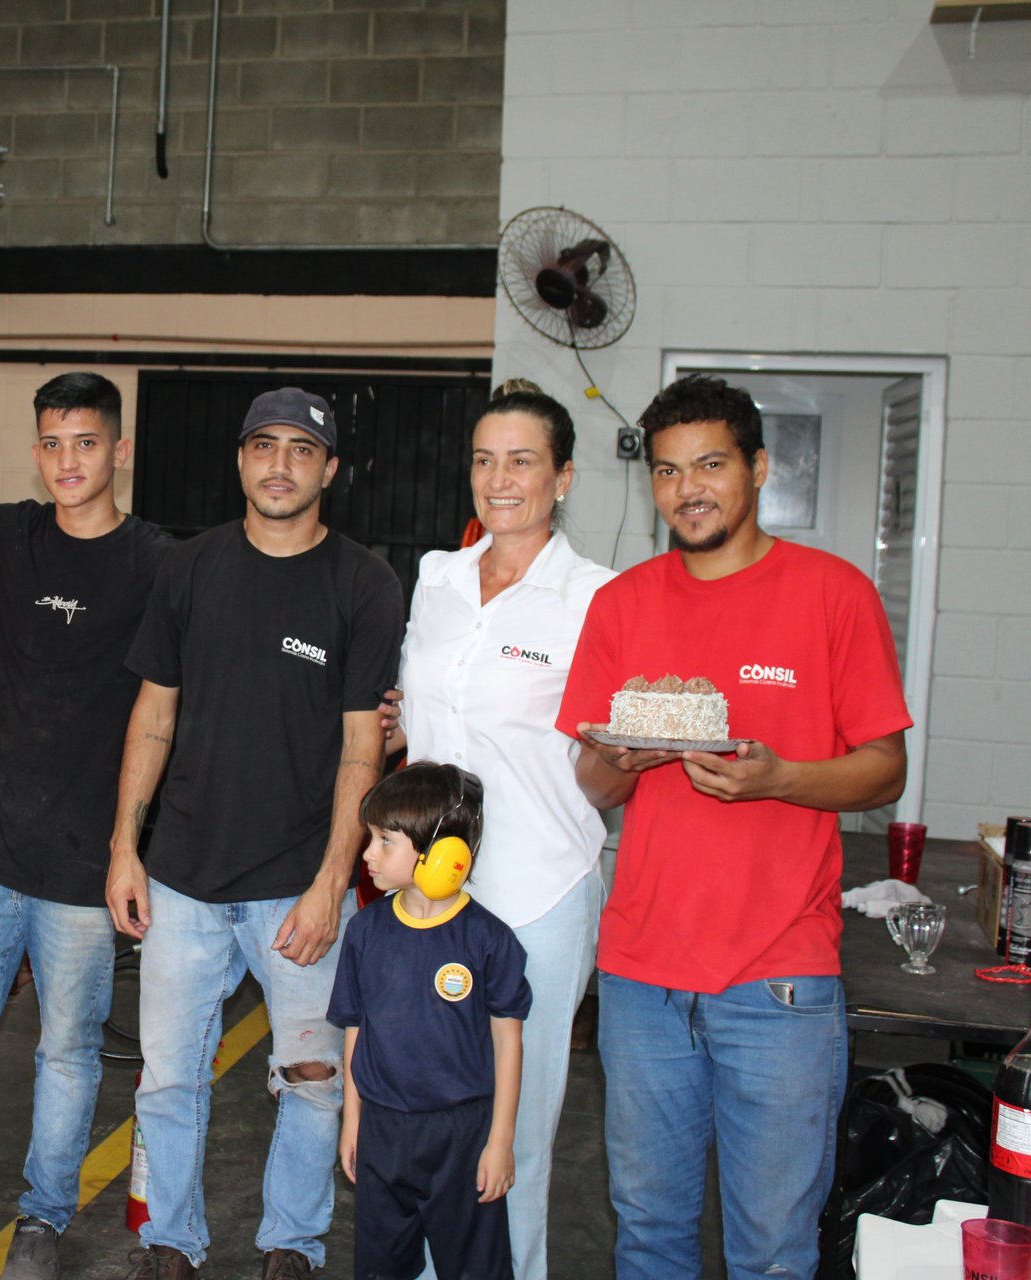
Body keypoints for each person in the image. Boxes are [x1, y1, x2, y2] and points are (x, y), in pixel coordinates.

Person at [556, 374, 910, 1280]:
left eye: (710, 465)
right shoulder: (624, 604)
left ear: (757, 467)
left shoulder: (833, 595)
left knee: (773, 1251)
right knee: (650, 1233)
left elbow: (884, 767)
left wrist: (781, 778)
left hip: (781, 983)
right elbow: (592, 782)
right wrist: (620, 762)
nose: (687, 490)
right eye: (668, 472)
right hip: (641, 977)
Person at [107, 387, 404, 1280]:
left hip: (297, 883)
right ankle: (173, 1241)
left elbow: (364, 747)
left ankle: (292, 1244)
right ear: (240, 459)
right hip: (184, 880)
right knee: (167, 1079)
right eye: (264, 446)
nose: (281, 465)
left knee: (313, 1082)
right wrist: (125, 845)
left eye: (302, 451)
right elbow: (153, 715)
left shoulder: (364, 583)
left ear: (330, 471)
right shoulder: (188, 569)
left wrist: (328, 882)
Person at [0, 373, 173, 1280]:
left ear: (119, 451)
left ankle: (43, 1222)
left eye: (85, 443)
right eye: (51, 442)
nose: (66, 462)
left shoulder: (159, 561)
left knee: (67, 1054)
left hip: (84, 863)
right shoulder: (4, 533)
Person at [386, 379, 613, 1280]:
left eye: (522, 461)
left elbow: (605, 751)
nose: (499, 478)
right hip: (435, 892)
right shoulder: (437, 577)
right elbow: (420, 712)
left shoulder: (596, 597)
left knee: (510, 1129)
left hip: (539, 892)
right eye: (484, 460)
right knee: (427, 1114)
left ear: (563, 478)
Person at [330, 763, 530, 1280]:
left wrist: (500, 1141)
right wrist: (353, 1121)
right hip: (383, 1127)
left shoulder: (488, 939)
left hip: (461, 1135)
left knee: (475, 1266)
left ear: (443, 856)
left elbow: (507, 1043)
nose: (368, 853)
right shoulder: (366, 932)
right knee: (380, 1266)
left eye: (384, 841)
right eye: (369, 838)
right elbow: (356, 1029)